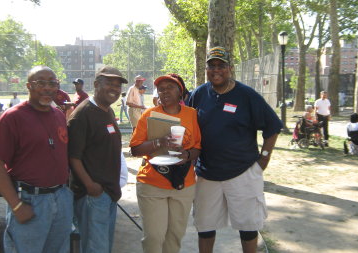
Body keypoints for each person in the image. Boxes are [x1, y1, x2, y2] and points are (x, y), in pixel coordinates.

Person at [188, 47, 282, 253]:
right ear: (206, 69)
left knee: (248, 228)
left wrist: (263, 160)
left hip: (243, 173)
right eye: (211, 66)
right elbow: (184, 122)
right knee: (204, 227)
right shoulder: (199, 94)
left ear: (230, 68)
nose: (216, 70)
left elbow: (273, 126)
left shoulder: (247, 95)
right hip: (207, 174)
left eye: (221, 65)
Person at [0, 66, 73, 253]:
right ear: (28, 86)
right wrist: (16, 205)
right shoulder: (13, 117)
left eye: (52, 83)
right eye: (40, 83)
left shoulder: (58, 115)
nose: (47, 88)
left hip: (61, 197)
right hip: (31, 200)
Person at [130, 74, 201, 253]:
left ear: (180, 92)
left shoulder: (191, 114)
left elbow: (198, 147)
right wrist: (159, 142)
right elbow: (135, 149)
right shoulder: (149, 114)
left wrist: (187, 154)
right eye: (161, 88)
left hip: (183, 184)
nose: (164, 90)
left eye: (170, 87)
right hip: (152, 182)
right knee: (154, 237)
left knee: (175, 236)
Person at [67, 66, 127, 253]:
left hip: (108, 192)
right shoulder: (83, 113)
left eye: (118, 85)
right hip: (92, 196)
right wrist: (90, 186)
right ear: (95, 84)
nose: (114, 89)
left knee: (103, 247)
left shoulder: (106, 110)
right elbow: (73, 157)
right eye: (109, 83)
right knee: (96, 248)